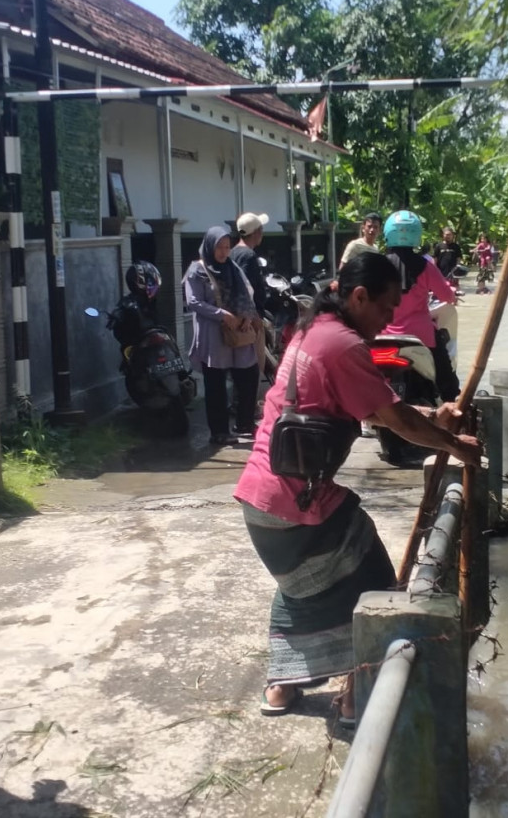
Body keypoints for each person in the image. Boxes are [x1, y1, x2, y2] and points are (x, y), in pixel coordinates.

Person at [234, 253, 481, 721]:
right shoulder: (343, 344)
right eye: (386, 308)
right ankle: (357, 693)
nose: (389, 320)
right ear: (359, 296)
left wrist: (435, 417)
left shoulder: (312, 330)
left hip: (260, 502)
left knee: (300, 587)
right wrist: (454, 444)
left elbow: (375, 408)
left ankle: (281, 688)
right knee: (372, 581)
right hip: (297, 505)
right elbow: (393, 418)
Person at [184, 227, 261, 444]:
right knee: (216, 384)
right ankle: (219, 432)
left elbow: (247, 293)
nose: (224, 252)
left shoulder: (232, 267)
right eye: (219, 247)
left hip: (238, 331)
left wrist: (247, 316)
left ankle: (244, 423)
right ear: (210, 246)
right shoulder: (196, 271)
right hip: (213, 335)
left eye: (227, 247)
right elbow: (193, 302)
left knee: (249, 375)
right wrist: (221, 315)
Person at [382, 210, 460, 402]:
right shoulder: (425, 266)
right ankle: (450, 402)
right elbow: (446, 296)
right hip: (420, 334)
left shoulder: (377, 264)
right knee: (444, 370)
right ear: (416, 234)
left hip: (383, 333)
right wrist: (452, 293)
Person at [230, 212, 269, 379]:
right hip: (248, 321)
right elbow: (245, 288)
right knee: (254, 367)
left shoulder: (232, 253)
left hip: (235, 317)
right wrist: (252, 316)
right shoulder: (249, 256)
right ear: (256, 232)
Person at [109, 261, 161, 349]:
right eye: (150, 283)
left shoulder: (149, 303)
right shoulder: (127, 302)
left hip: (154, 346)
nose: (154, 288)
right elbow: (120, 332)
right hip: (136, 347)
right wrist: (117, 315)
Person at [435, 226, 465, 297]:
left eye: (449, 235)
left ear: (452, 236)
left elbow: (458, 258)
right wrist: (434, 270)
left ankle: (453, 300)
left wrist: (457, 269)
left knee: (454, 290)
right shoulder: (438, 246)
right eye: (446, 234)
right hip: (441, 272)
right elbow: (435, 259)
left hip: (453, 272)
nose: (448, 236)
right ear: (443, 235)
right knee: (441, 290)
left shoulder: (456, 246)